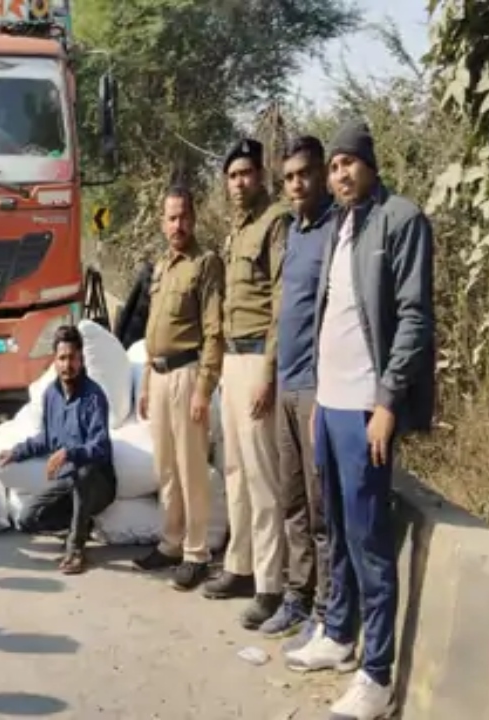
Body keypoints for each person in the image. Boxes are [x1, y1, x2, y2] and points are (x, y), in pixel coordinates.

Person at [285, 120, 435, 720]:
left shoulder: (401, 219)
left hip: (368, 409)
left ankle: (376, 675)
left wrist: (388, 403)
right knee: (338, 531)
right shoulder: (342, 225)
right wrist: (321, 393)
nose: (342, 173)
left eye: (351, 163)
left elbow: (414, 318)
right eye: (336, 165)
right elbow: (333, 315)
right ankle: (338, 636)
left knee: (370, 539)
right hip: (331, 402)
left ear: (369, 164)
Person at [209, 138, 292, 631]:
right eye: (233, 175)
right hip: (232, 362)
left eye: (247, 174)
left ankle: (271, 583)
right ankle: (239, 566)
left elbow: (280, 298)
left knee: (262, 476)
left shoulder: (275, 221)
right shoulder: (237, 229)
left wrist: (268, 369)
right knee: (235, 470)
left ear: (262, 176)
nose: (240, 183)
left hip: (259, 357)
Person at [259, 136, 336, 643]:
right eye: (288, 178)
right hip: (286, 381)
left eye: (304, 174)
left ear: (323, 174)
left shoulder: (337, 231)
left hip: (316, 387)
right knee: (291, 499)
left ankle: (327, 610)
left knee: (320, 506)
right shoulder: (295, 233)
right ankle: (296, 596)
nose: (296, 185)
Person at [130, 187, 224, 591]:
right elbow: (154, 334)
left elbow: (215, 331)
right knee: (166, 469)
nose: (177, 225)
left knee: (191, 469)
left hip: (188, 376)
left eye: (183, 217)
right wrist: (147, 382)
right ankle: (170, 543)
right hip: (160, 374)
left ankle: (196, 553)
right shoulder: (162, 267)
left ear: (194, 218)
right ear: (162, 221)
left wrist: (204, 388)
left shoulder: (205, 264)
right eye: (171, 218)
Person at [0, 325, 117, 575]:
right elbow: (47, 437)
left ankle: (75, 549)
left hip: (97, 483)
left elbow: (101, 445)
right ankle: (81, 524)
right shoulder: (51, 394)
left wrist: (69, 453)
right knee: (28, 519)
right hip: (66, 481)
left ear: (81, 359)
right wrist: (17, 452)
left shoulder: (94, 396)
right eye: (62, 358)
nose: (67, 365)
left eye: (72, 358)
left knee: (84, 473)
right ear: (55, 360)